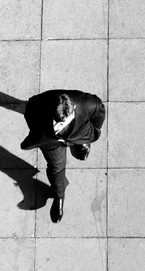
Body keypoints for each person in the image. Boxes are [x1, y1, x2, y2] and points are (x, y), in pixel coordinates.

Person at [20, 90, 106, 223]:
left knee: (80, 153)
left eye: (66, 120)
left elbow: (99, 112)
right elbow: (30, 118)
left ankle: (80, 144)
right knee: (56, 168)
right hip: (52, 142)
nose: (62, 125)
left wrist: (95, 131)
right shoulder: (35, 107)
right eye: (58, 122)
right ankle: (59, 195)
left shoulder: (89, 103)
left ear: (74, 109)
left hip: (79, 133)